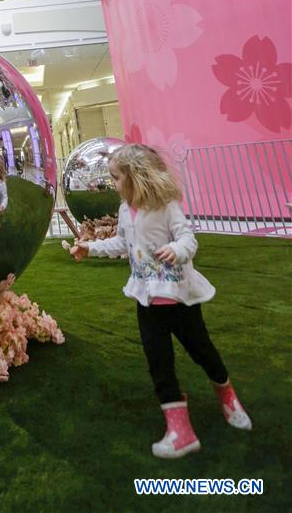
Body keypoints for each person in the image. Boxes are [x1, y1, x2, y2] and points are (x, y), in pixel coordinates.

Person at [68, 143, 252, 459]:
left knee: (202, 351)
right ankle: (180, 430)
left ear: (135, 177)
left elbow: (188, 239)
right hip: (147, 301)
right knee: (159, 363)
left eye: (115, 178)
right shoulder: (126, 209)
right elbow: (122, 243)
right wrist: (90, 247)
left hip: (180, 299)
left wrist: (177, 250)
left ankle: (227, 394)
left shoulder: (166, 206)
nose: (112, 184)